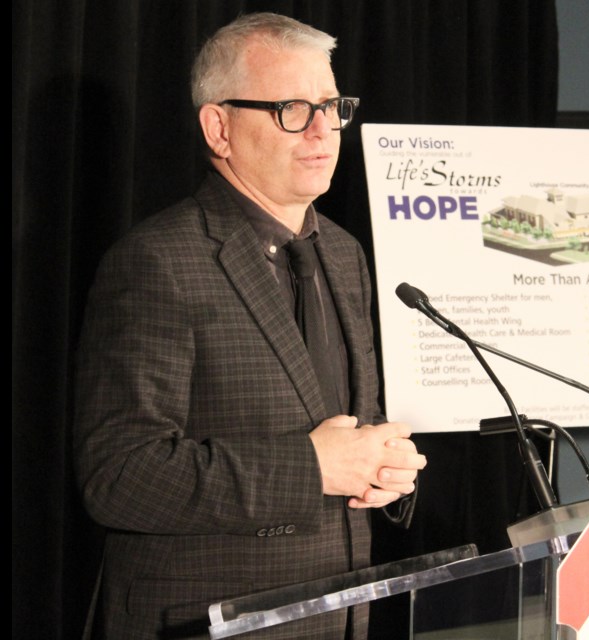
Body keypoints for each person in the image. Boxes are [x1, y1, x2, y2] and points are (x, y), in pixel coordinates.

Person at [73, 12, 426, 639]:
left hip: (338, 615)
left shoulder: (343, 254)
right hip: (199, 620)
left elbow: (347, 434)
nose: (323, 130)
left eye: (331, 105)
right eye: (293, 108)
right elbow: (119, 476)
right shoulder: (159, 261)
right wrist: (313, 468)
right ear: (220, 127)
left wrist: (382, 468)